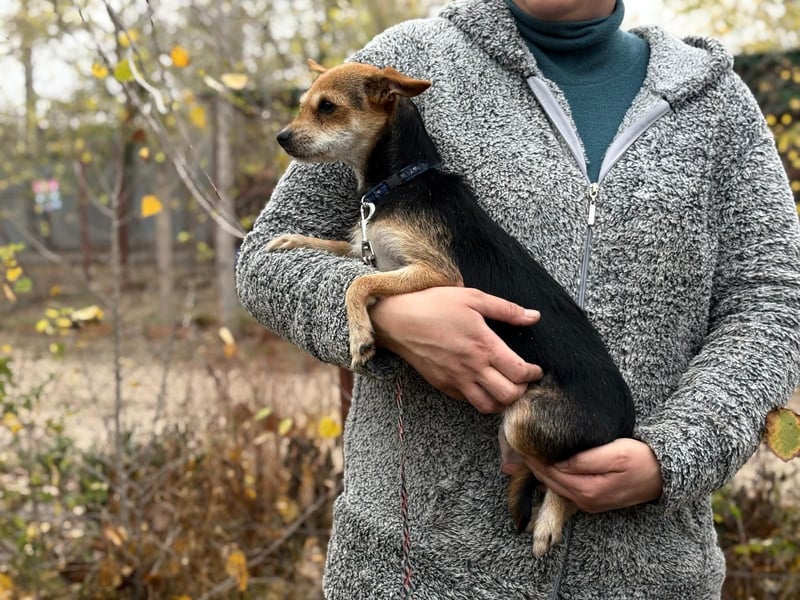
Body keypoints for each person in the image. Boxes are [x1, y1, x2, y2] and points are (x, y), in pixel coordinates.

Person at [235, 0, 800, 597]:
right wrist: (391, 311)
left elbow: (772, 303)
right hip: (416, 576)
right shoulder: (402, 66)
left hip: (649, 576)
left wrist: (673, 454)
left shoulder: (716, 106)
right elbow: (269, 261)